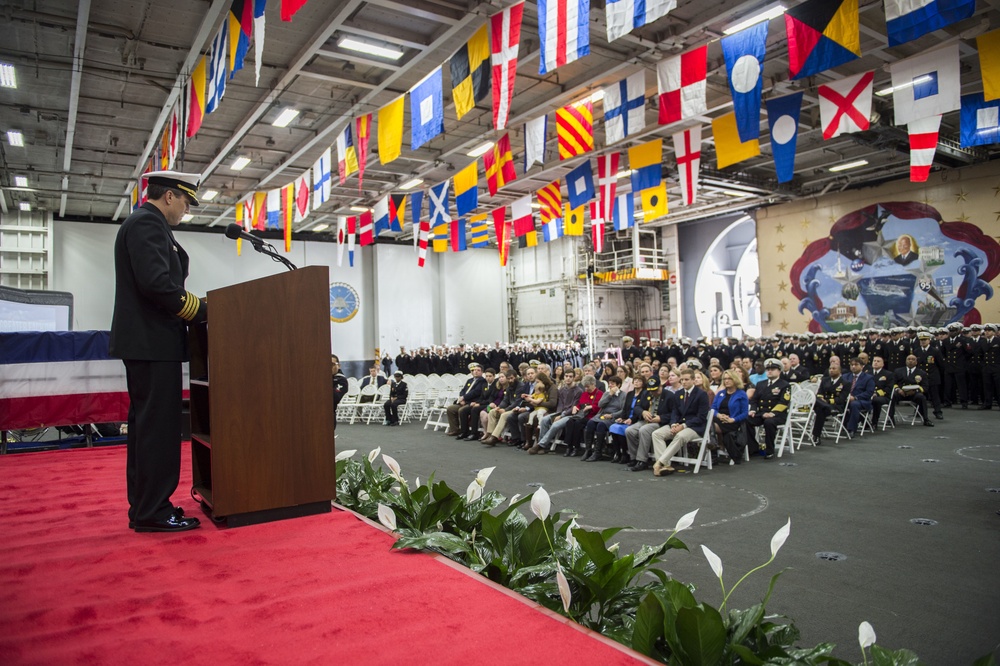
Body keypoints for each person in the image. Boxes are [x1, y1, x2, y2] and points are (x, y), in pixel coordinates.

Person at [110, 170, 206, 533]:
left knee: (149, 428)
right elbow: (156, 284)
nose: (185, 209)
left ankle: (147, 507)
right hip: (152, 342)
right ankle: (152, 510)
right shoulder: (147, 224)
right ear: (169, 196)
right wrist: (201, 310)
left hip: (151, 343)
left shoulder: (146, 224)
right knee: (157, 430)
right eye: (185, 201)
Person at [649, 368, 710, 475]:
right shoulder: (678, 394)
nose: (684, 382)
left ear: (693, 380)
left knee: (681, 436)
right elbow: (674, 412)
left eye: (686, 379)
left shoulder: (701, 394)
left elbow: (701, 417)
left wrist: (683, 425)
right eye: (682, 380)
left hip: (694, 427)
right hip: (678, 424)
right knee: (657, 434)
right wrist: (673, 424)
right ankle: (666, 465)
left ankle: (659, 463)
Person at [747, 358, 790, 459]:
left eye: (773, 369)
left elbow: (783, 402)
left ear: (779, 371)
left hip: (777, 415)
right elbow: (754, 400)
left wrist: (772, 413)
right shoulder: (761, 384)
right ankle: (753, 448)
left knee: (769, 422)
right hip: (762, 413)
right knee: (746, 420)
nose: (769, 371)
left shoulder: (784, 385)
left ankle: (769, 450)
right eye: (768, 369)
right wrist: (753, 409)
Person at [712, 369, 749, 464]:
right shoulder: (720, 393)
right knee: (710, 420)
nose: (726, 381)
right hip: (719, 419)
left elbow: (745, 413)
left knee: (708, 426)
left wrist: (733, 419)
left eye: (729, 379)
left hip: (733, 422)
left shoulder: (741, 394)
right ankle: (714, 447)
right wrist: (719, 415)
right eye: (724, 379)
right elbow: (713, 408)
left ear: (735, 380)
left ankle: (713, 449)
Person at [889, 354, 934, 427]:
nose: (910, 361)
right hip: (901, 393)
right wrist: (898, 390)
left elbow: (925, 387)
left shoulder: (922, 373)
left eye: (913, 359)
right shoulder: (898, 371)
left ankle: (926, 419)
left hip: (914, 394)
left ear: (916, 362)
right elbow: (893, 383)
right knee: (893, 396)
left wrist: (915, 391)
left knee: (922, 397)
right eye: (909, 359)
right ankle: (890, 418)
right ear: (906, 361)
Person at [331, 355, 349, 425]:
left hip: (329, 413)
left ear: (338, 365)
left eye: (332, 364)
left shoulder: (341, 380)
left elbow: (335, 397)